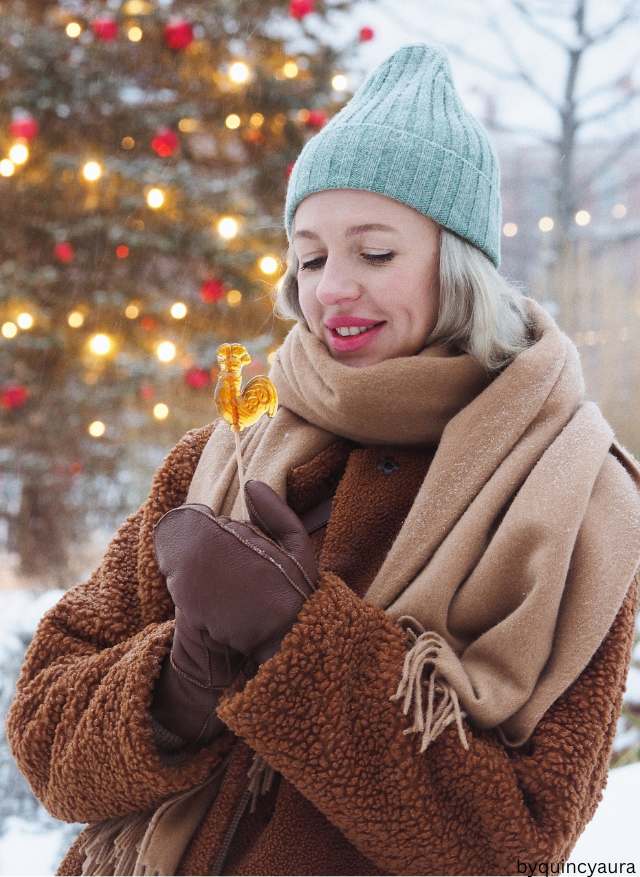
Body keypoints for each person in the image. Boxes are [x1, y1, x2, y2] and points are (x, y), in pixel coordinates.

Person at [7, 42, 640, 877]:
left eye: (374, 253)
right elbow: (42, 731)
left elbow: (513, 847)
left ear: (459, 268)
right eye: (310, 256)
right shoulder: (223, 455)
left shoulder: (577, 503)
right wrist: (178, 682)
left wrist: (301, 642)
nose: (331, 287)